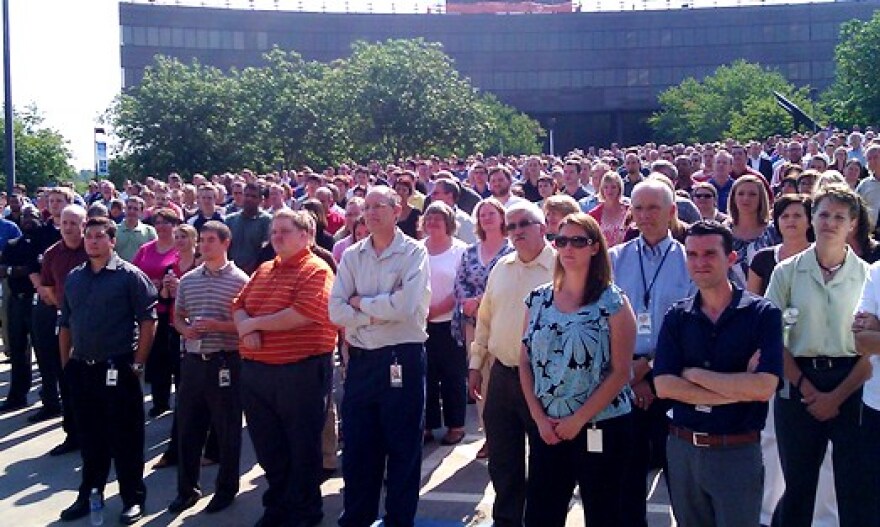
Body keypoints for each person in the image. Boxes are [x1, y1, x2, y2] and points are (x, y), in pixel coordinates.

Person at [654, 220, 783, 526]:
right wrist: (738, 388)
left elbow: (764, 387)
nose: (699, 263)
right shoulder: (677, 316)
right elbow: (663, 385)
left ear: (731, 258)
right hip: (683, 450)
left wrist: (693, 374)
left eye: (709, 254)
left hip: (736, 451)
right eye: (692, 255)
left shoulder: (763, 315)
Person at [520, 213, 636, 527]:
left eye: (578, 241)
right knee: (541, 515)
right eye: (561, 241)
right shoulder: (538, 299)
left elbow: (621, 371)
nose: (568, 248)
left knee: (605, 515)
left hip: (602, 425)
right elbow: (525, 361)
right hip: (548, 428)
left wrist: (579, 420)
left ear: (595, 247)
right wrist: (539, 418)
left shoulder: (613, 302)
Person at [766, 183, 872, 527]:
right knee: (798, 486)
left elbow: (871, 348)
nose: (829, 222)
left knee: (854, 487)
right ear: (813, 217)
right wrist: (807, 388)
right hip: (798, 383)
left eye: (839, 217)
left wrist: (837, 395)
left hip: (852, 384)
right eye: (823, 214)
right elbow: (771, 337)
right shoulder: (785, 272)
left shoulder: (868, 276)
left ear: (852, 224)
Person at [329, 186, 431, 527]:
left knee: (403, 449)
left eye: (379, 206)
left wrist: (360, 303)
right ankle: (358, 517)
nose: (370, 213)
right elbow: (336, 311)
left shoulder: (414, 252)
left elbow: (405, 307)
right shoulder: (351, 255)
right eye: (366, 207)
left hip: (402, 358)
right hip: (361, 361)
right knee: (359, 449)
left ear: (398, 209)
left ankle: (399, 520)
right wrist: (376, 309)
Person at [234, 209, 337, 526]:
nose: (277, 237)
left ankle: (304, 511)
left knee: (301, 446)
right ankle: (277, 507)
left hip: (300, 372)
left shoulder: (316, 269)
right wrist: (246, 327)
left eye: (285, 231)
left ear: (306, 235)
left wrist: (254, 325)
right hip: (257, 372)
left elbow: (304, 313)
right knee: (269, 447)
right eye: (274, 231)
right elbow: (238, 305)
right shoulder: (264, 268)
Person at [57, 216, 157, 525]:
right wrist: (67, 366)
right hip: (83, 369)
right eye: (89, 237)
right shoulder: (75, 277)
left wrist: (138, 364)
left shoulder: (130, 276)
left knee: (126, 438)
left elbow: (148, 321)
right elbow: (65, 324)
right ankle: (90, 494)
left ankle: (132, 499)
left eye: (100, 236)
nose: (93, 241)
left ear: (112, 241)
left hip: (119, 368)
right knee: (91, 439)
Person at [608, 179, 693, 527]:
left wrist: (649, 371)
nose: (644, 216)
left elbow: (691, 327)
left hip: (672, 381)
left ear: (672, 212)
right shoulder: (615, 259)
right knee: (627, 483)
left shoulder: (691, 259)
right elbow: (604, 320)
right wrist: (630, 371)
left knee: (681, 482)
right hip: (624, 383)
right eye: (638, 208)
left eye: (653, 208)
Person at [467, 201, 555, 527]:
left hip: (546, 382)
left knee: (547, 464)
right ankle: (506, 521)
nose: (516, 232)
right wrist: (476, 364)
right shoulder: (501, 267)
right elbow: (485, 319)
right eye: (511, 226)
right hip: (502, 376)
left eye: (524, 224)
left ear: (543, 226)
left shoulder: (562, 266)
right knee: (503, 462)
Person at [167, 221, 249, 515]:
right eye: (202, 240)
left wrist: (217, 326)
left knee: (227, 430)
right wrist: (185, 330)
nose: (204, 245)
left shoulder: (241, 281)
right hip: (192, 362)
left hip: (225, 360)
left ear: (226, 243)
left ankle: (226, 489)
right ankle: (186, 490)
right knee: (188, 428)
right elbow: (178, 317)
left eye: (211, 240)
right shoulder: (188, 280)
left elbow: (246, 327)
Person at [452, 198, 513, 459]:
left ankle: (510, 436)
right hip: (473, 325)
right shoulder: (469, 251)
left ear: (502, 218)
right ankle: (490, 436)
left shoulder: (511, 251)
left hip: (503, 321)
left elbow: (509, 284)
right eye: (482, 214)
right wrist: (468, 303)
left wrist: (481, 301)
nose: (486, 218)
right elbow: (460, 282)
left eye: (492, 213)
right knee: (480, 381)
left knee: (503, 381)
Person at [420, 202, 469, 445]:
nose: (432, 223)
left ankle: (456, 425)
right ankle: (427, 425)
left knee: (452, 376)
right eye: (429, 219)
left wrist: (439, 309)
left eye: (438, 219)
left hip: (451, 323)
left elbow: (462, 285)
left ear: (448, 223)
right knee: (424, 374)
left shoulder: (461, 251)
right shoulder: (416, 250)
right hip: (421, 323)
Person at [132, 208, 181, 417]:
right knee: (157, 359)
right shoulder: (146, 249)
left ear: (175, 225)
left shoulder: (182, 249)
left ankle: (182, 402)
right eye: (158, 222)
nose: (161, 226)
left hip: (174, 311)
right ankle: (160, 402)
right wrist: (148, 284)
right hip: (151, 311)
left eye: (166, 222)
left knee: (176, 361)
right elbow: (133, 274)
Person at [0, 207, 41, 411]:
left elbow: (42, 269)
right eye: (25, 216)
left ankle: (50, 398)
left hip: (38, 302)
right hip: (16, 300)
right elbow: (2, 269)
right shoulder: (13, 244)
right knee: (18, 351)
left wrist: (16, 271)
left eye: (32, 216)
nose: (28, 220)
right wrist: (17, 270)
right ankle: (17, 396)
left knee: (44, 352)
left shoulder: (45, 242)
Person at [726, 175, 779, 287]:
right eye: (741, 194)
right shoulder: (723, 233)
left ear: (761, 199)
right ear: (733, 197)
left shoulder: (774, 232)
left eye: (752, 194)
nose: (746, 198)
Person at [225, 182, 272, 276]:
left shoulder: (268, 221)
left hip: (258, 274)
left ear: (260, 200)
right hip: (231, 274)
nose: (249, 199)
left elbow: (268, 251)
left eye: (253, 196)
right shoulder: (230, 220)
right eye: (246, 195)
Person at [588, 171, 630, 247]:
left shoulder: (629, 211)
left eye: (613, 187)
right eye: (606, 187)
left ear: (619, 188)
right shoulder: (593, 214)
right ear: (602, 189)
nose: (609, 191)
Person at [115, 197, 157, 262]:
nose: (132, 211)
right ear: (124, 209)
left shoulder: (149, 231)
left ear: (142, 212)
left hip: (141, 270)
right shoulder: (114, 230)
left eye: (136, 209)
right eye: (129, 208)